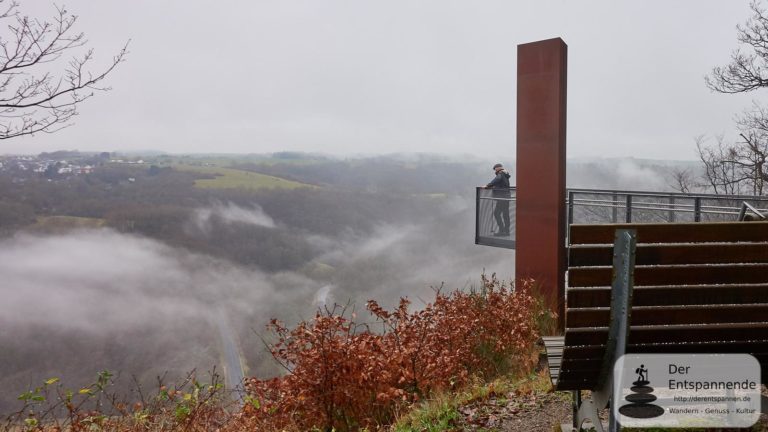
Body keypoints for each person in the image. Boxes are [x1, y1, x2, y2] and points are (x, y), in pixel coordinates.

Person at [485, 163, 511, 236]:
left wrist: (487, 185)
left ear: (498, 168)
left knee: (496, 213)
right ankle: (507, 231)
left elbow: (497, 180)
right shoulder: (505, 174)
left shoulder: (500, 173)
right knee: (506, 214)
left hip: (502, 197)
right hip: (506, 196)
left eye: (495, 168)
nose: (494, 170)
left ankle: (502, 231)